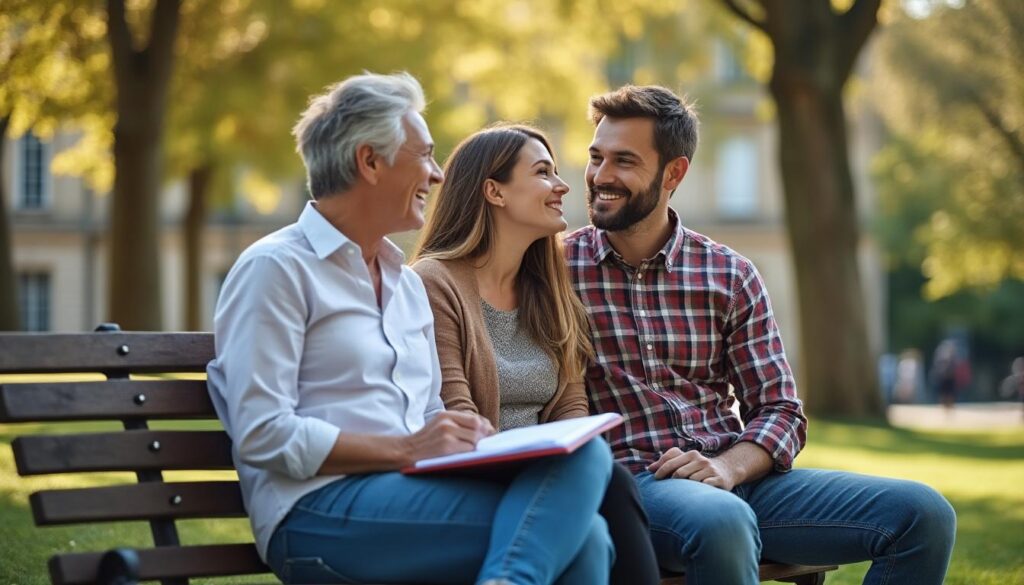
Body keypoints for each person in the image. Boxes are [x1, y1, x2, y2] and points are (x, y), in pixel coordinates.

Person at [206, 73, 615, 585]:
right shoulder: (276, 268)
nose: (438, 174)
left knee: (587, 470)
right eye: (423, 155)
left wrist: (465, 440)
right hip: (315, 512)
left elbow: (428, 415)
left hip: (411, 492)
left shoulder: (402, 284)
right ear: (369, 161)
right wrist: (405, 449)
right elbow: (263, 433)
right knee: (575, 538)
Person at [563, 84, 958, 585]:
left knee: (924, 515)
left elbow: (781, 410)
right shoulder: (556, 270)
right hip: (637, 483)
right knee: (721, 522)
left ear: (674, 172)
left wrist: (728, 468)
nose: (600, 176)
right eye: (596, 157)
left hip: (739, 479)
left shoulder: (729, 273)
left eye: (623, 161)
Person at [411, 124, 661, 585]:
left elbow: (571, 407)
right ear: (494, 192)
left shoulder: (549, 288)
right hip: (475, 475)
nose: (563, 186)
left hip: (552, 471)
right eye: (543, 172)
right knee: (610, 489)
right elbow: (456, 414)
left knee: (607, 486)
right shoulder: (435, 283)